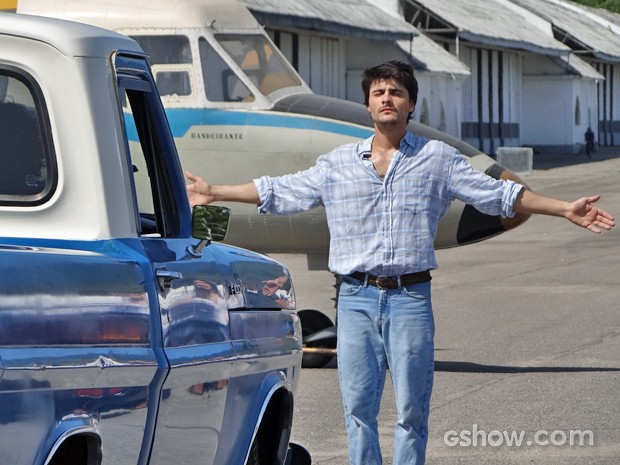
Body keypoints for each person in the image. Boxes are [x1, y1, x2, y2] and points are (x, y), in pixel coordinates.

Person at [186, 61, 615, 465]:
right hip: (355, 300)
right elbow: (279, 191)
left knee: (412, 410)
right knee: (358, 410)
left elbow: (501, 195)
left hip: (410, 298)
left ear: (411, 104)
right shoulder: (336, 164)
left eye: (396, 92)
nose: (386, 98)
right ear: (368, 104)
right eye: (378, 92)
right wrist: (214, 190)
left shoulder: (438, 159)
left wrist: (563, 208)